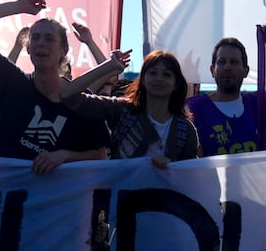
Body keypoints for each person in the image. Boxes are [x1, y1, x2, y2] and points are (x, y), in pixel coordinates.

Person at [0, 0, 110, 173]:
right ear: (28, 48)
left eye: (49, 38)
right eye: (35, 38)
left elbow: (101, 157)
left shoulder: (83, 102)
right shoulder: (13, 83)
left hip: (56, 200)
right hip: (3, 198)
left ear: (64, 50)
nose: (41, 44)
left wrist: (64, 156)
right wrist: (18, 6)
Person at [64, 50, 200, 167]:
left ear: (176, 84)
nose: (159, 78)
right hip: (120, 196)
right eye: (152, 73)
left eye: (167, 74)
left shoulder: (185, 129)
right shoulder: (122, 110)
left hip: (167, 197)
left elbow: (189, 177)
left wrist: (171, 167)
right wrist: (109, 66)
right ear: (142, 80)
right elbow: (68, 95)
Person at [185, 37, 262, 156]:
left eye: (234, 62)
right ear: (212, 70)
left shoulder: (259, 104)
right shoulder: (192, 108)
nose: (227, 67)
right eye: (221, 62)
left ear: (246, 71)